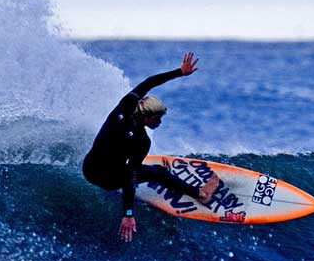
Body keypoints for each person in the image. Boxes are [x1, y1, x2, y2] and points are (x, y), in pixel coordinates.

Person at [83, 52, 219, 242]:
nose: (160, 122)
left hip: (88, 169)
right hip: (107, 180)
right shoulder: (141, 141)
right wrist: (128, 214)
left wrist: (179, 72)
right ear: (146, 117)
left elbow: (148, 83)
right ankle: (201, 194)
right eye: (157, 118)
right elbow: (130, 176)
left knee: (119, 160)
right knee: (158, 172)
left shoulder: (126, 105)